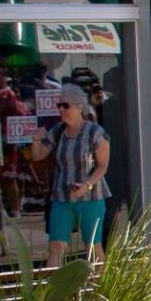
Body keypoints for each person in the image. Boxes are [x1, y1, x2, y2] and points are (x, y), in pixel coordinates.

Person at [27, 83, 110, 267]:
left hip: (91, 197)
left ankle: (100, 290)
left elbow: (103, 166)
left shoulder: (95, 132)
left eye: (66, 105)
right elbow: (38, 155)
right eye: (59, 105)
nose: (62, 110)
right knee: (56, 247)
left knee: (93, 247)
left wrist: (87, 185)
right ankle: (53, 293)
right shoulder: (58, 131)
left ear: (80, 107)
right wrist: (35, 140)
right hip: (62, 196)